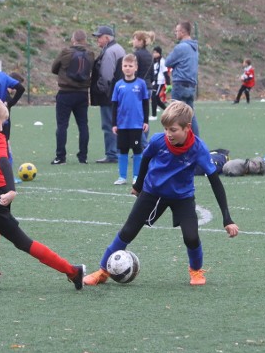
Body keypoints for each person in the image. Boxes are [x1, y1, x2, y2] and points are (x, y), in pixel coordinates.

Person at [83, 101, 238, 287]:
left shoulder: (198, 148)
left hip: (183, 197)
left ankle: (196, 271)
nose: (168, 134)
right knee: (128, 231)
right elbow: (146, 158)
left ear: (187, 128)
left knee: (191, 236)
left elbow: (215, 182)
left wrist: (227, 218)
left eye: (173, 130)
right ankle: (102, 271)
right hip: (152, 192)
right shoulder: (158, 140)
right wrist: (138, 185)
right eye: (166, 129)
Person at [0, 96, 85, 291]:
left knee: (21, 241)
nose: (3, 127)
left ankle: (72, 271)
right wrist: (10, 190)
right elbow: (4, 161)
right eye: (3, 122)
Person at [51, 30, 93, 165]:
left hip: (65, 92)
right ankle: (83, 156)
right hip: (82, 93)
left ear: (73, 39)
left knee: (62, 125)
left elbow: (53, 68)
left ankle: (60, 156)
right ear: (85, 40)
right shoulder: (90, 54)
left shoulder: (65, 52)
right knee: (83, 125)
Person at [111, 54, 149, 185]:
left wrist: (146, 121)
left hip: (136, 124)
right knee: (123, 150)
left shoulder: (141, 84)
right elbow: (115, 105)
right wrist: (114, 123)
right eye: (125, 66)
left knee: (137, 150)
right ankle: (122, 177)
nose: (128, 68)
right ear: (122, 68)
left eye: (130, 66)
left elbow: (145, 103)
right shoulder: (118, 85)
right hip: (122, 124)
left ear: (136, 67)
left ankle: (137, 176)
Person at [91, 25, 125, 164]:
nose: (97, 40)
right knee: (119, 123)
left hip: (109, 95)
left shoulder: (109, 52)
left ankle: (112, 153)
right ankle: (118, 151)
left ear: (106, 37)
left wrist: (99, 90)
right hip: (119, 93)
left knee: (109, 124)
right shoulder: (119, 48)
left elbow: (106, 76)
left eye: (99, 37)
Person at [164, 21, 200, 135]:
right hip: (191, 85)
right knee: (190, 115)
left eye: (177, 31)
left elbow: (167, 62)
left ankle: (172, 142)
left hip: (180, 84)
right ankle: (196, 141)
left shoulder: (181, 47)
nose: (175, 33)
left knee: (173, 115)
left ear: (183, 32)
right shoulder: (194, 48)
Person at [131, 30, 154, 148]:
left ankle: (144, 145)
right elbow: (152, 74)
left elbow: (134, 73)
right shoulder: (150, 55)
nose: (132, 41)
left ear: (140, 41)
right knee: (145, 117)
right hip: (148, 87)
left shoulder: (137, 55)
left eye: (134, 39)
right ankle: (142, 143)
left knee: (136, 118)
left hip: (138, 88)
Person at [150, 46, 170, 120]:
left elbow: (165, 73)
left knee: (154, 97)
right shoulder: (153, 61)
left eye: (156, 52)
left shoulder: (162, 61)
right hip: (154, 82)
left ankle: (154, 115)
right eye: (153, 52)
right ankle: (169, 110)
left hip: (159, 82)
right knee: (157, 99)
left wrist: (168, 83)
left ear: (159, 53)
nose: (154, 54)